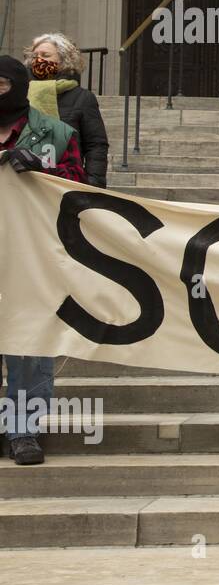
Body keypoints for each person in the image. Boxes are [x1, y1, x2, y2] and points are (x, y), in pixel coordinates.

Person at [0, 56, 87, 466]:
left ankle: (24, 430)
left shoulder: (55, 133)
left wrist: (41, 174)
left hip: (34, 254)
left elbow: (79, 190)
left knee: (31, 346)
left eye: (2, 85)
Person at [25, 33, 110, 188]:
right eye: (34, 55)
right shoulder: (21, 93)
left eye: (45, 55)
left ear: (63, 60)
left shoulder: (82, 98)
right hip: (24, 178)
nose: (38, 60)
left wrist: (93, 183)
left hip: (66, 179)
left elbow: (95, 145)